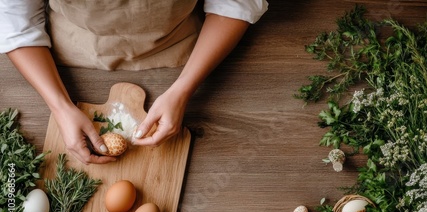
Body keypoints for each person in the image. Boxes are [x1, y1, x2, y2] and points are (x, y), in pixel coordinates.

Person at [0, 0, 268, 164]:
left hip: (189, 41)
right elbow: (15, 18)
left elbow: (234, 3)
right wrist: (60, 106)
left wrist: (183, 89)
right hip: (69, 48)